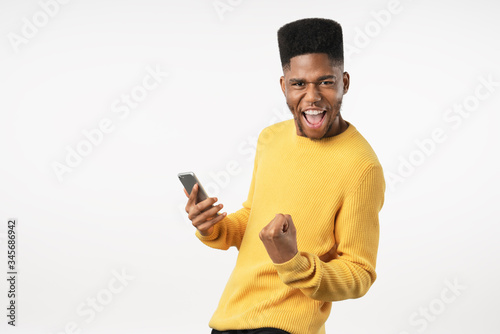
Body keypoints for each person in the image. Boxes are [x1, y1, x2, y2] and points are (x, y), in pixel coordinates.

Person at [183, 18, 386, 334]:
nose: (313, 97)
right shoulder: (270, 139)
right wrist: (213, 226)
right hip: (228, 318)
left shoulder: (361, 167)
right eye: (299, 84)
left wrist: (294, 262)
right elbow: (253, 221)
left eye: (326, 82)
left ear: (345, 82)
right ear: (284, 86)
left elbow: (359, 275)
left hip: (287, 328)